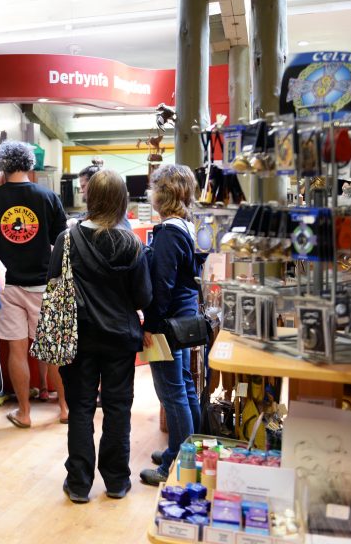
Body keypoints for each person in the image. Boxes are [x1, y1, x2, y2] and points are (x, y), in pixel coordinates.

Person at [48, 170, 151, 503]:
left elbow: (54, 283)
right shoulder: (132, 243)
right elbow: (143, 297)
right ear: (122, 200)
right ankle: (117, 480)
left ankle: (78, 483)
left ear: (88, 197)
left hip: (78, 337)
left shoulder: (67, 239)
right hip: (121, 338)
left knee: (79, 407)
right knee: (118, 408)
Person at [0, 140, 69, 428]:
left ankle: (25, 413)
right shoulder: (48, 197)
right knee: (51, 349)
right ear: (31, 165)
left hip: (7, 285)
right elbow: (62, 241)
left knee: (17, 350)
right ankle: (65, 409)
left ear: (2, 166)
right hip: (43, 283)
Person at [139, 164, 208, 486]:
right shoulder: (187, 227)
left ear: (162, 193)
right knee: (183, 387)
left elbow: (161, 285)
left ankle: (175, 463)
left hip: (166, 324)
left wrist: (150, 325)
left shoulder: (168, 233)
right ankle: (187, 450)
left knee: (172, 392)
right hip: (184, 319)